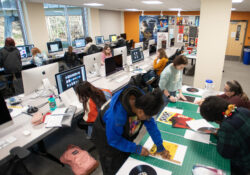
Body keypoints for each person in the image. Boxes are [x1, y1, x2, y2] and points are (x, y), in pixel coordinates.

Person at [92, 86, 170, 175]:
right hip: (105, 139)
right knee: (113, 167)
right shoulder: (116, 116)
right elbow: (113, 140)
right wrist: (135, 148)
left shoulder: (142, 100)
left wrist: (159, 145)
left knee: (125, 160)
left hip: (120, 133)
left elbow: (151, 124)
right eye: (148, 116)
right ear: (140, 112)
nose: (148, 119)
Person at [200, 96, 250, 175]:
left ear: (216, 120)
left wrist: (220, 133)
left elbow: (224, 152)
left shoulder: (227, 127)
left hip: (243, 165)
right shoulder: (241, 110)